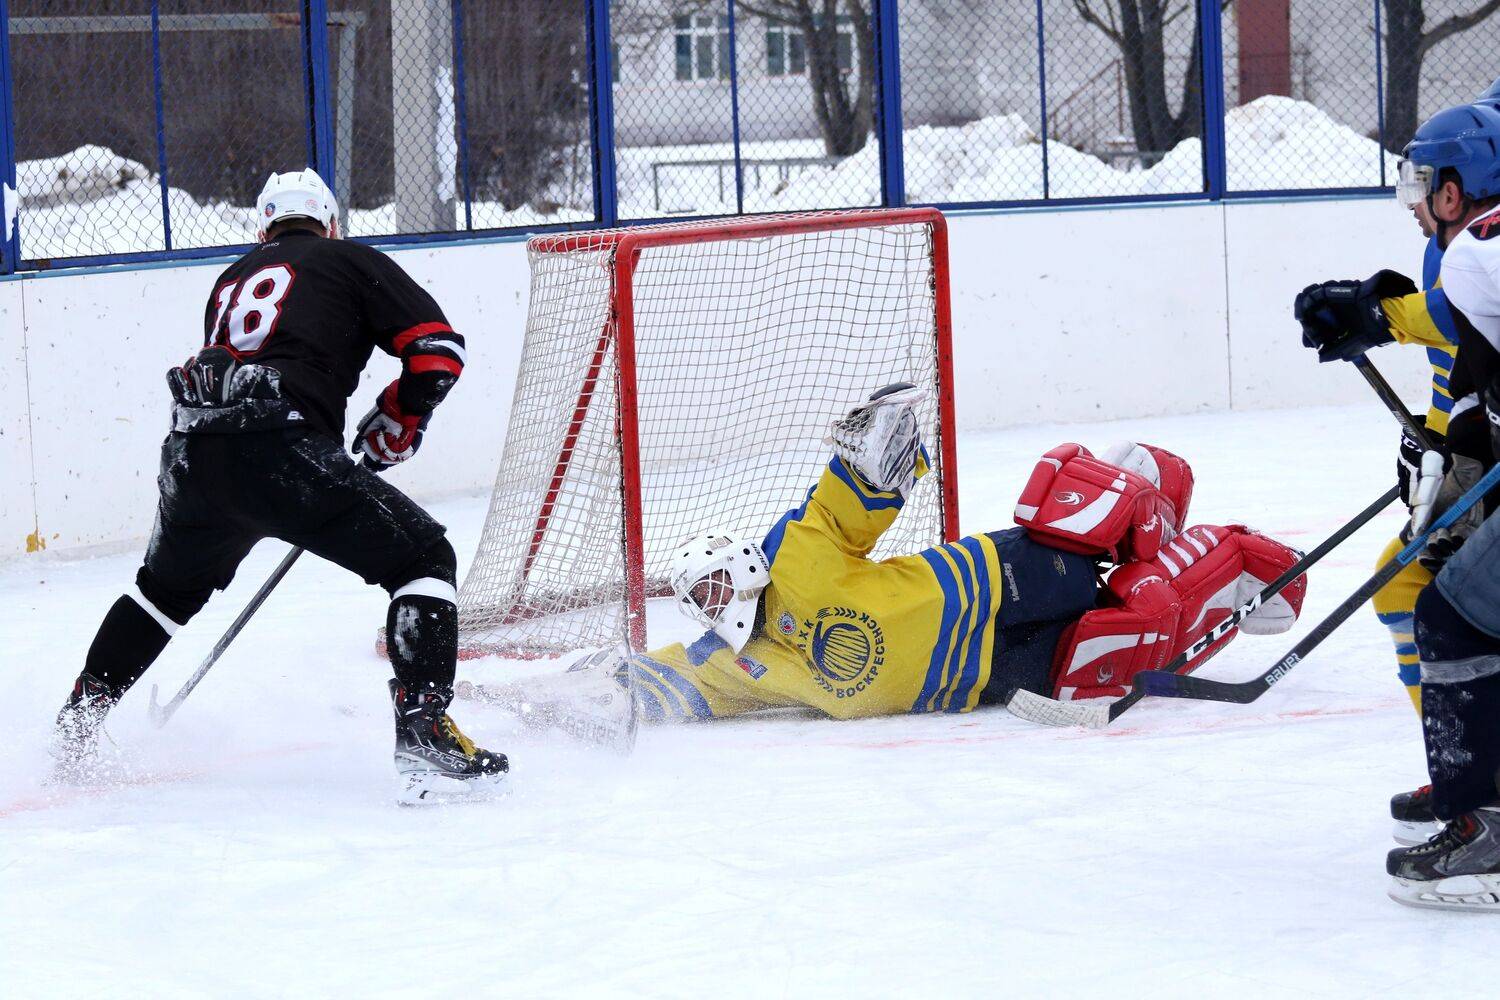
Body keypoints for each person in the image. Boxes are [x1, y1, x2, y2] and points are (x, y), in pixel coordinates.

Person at [50, 168, 508, 805]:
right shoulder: (349, 259)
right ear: (331, 223)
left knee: (162, 595)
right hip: (281, 448)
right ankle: (424, 727)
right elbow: (437, 359)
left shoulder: (230, 280)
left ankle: (76, 727)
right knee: (423, 558)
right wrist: (401, 416)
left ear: (262, 227)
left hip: (193, 455)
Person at [599, 385, 1307, 724]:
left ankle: (1172, 499)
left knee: (1078, 510)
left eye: (718, 580)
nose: (720, 599)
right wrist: (594, 692)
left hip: (998, 581)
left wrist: (878, 440)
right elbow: (665, 684)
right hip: (988, 675)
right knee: (1130, 626)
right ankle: (1225, 573)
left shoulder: (794, 553)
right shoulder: (736, 665)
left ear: (739, 558)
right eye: (705, 598)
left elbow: (852, 494)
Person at [1296, 100, 1500, 909]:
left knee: (1442, 608)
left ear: (1455, 190)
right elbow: (1470, 364)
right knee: (1415, 588)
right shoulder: (1468, 247)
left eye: (1422, 183)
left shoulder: (1480, 252)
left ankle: (1479, 809)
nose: (1414, 199)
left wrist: (1374, 313)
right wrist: (1451, 442)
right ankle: (1471, 783)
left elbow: (1452, 314)